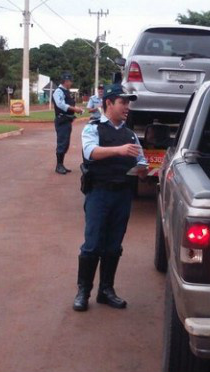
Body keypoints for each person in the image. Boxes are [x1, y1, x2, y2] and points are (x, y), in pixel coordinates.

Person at [73, 83, 148, 312]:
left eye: (128, 103)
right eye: (123, 102)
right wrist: (119, 150)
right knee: (93, 243)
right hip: (99, 192)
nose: (127, 107)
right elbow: (90, 152)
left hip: (122, 195)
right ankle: (83, 292)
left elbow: (141, 161)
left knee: (114, 245)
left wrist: (143, 170)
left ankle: (106, 290)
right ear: (109, 103)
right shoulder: (93, 128)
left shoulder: (130, 135)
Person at [52, 72, 84, 175]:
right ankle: (59, 165)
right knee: (62, 142)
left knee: (65, 143)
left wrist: (76, 109)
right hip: (62, 120)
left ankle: (61, 164)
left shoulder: (66, 91)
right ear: (66, 81)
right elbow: (60, 104)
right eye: (70, 81)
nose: (71, 83)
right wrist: (74, 109)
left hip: (67, 120)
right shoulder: (58, 91)